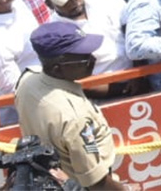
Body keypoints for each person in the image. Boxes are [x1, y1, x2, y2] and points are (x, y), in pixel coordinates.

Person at [15, 22, 126, 190]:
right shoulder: (74, 117)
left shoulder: (27, 82)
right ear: (57, 69)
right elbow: (96, 182)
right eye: (84, 58)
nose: (93, 60)